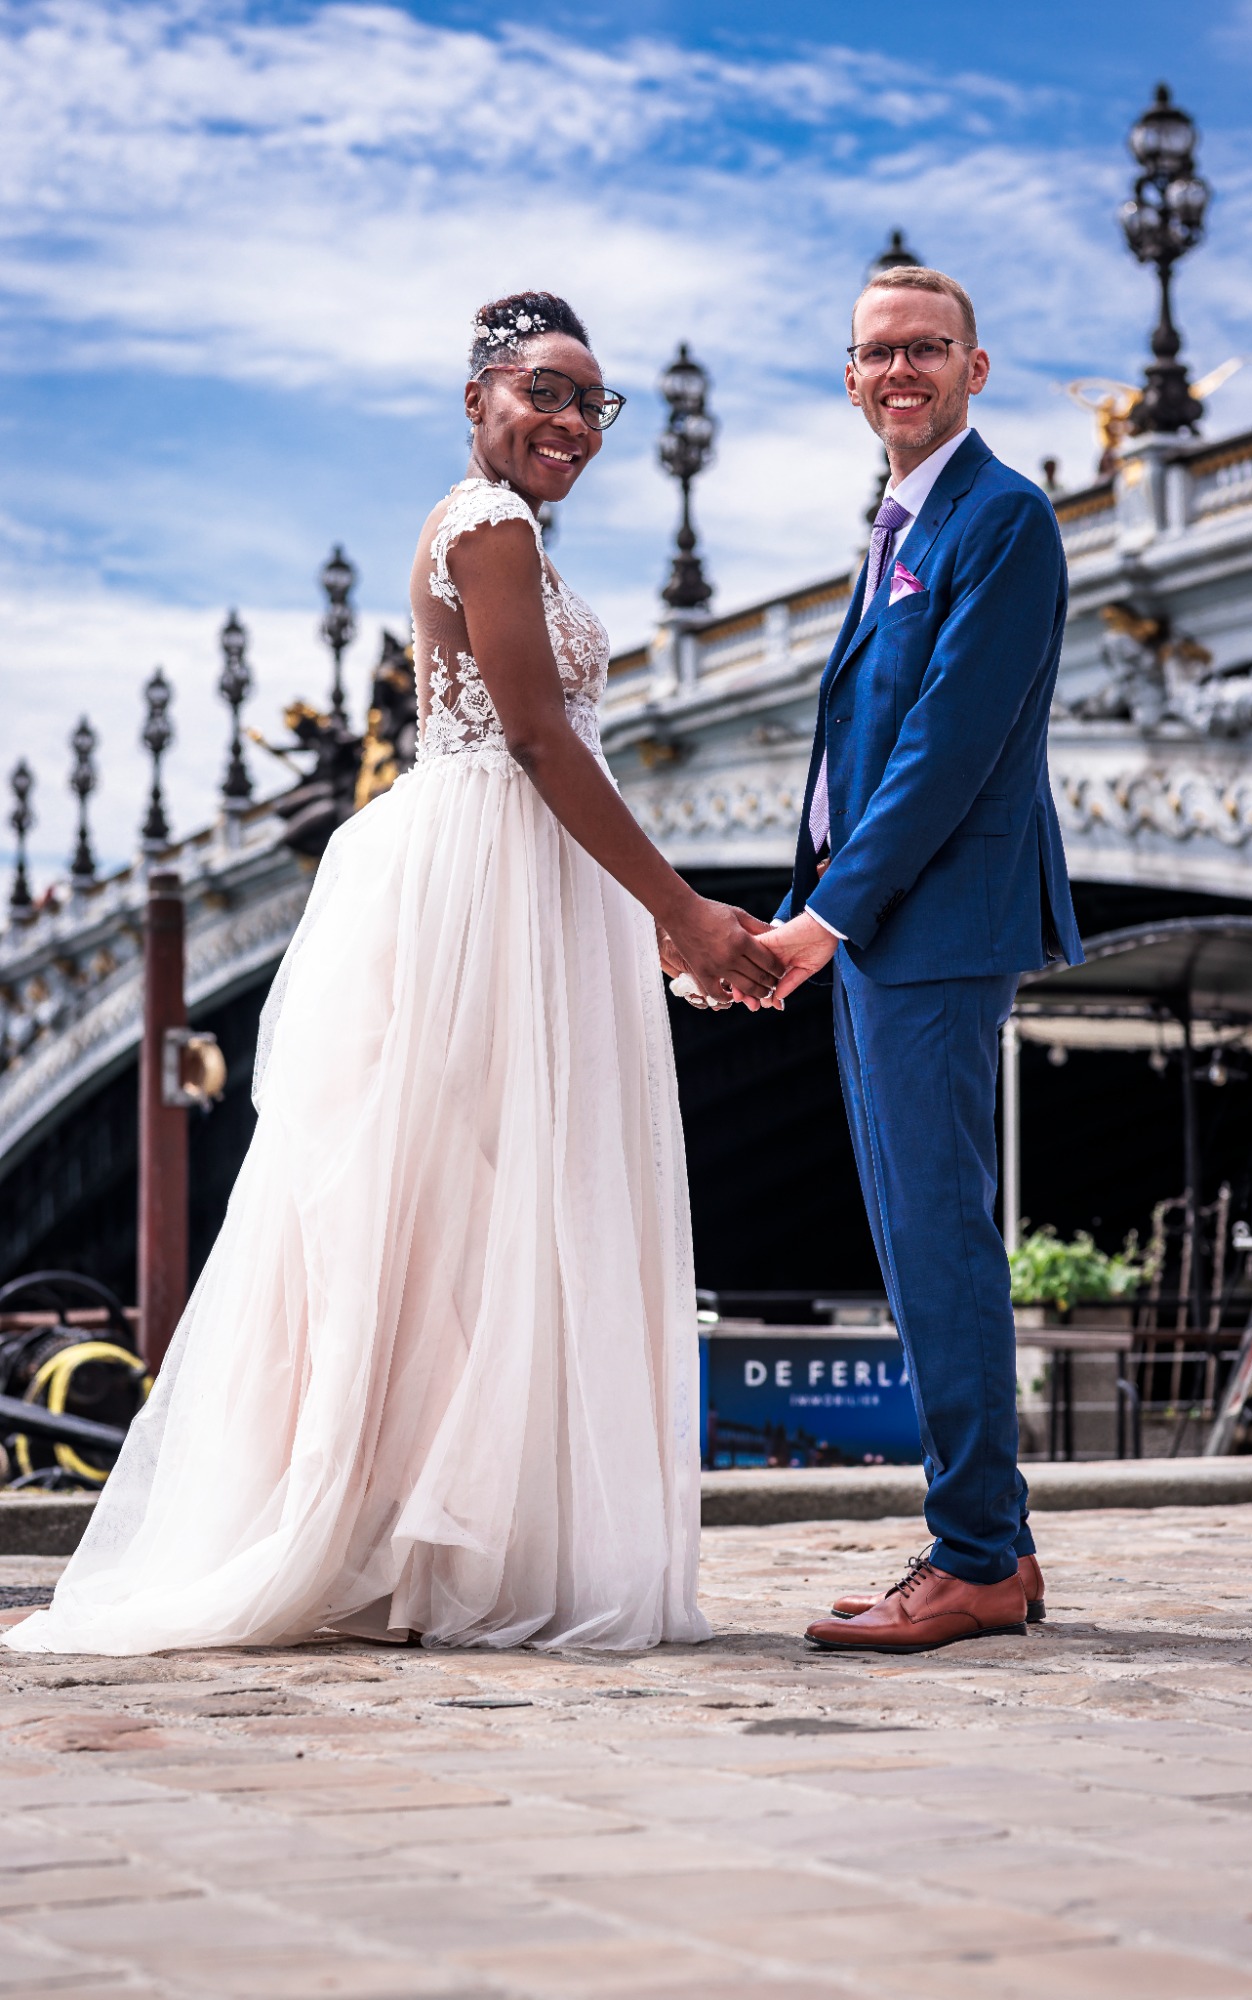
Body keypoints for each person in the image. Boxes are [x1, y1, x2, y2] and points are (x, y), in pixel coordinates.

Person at [6, 291, 781, 1658]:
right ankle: (428, 1541)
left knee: (459, 1206)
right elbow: (537, 741)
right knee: (480, 1200)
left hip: (515, 869)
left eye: (593, 402)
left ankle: (423, 1535)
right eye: (545, 391)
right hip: (495, 872)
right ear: (479, 398)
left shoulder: (495, 528)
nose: (572, 421)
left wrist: (645, 914)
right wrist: (681, 913)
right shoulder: (488, 527)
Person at [758, 265, 1083, 1653]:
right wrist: (811, 906)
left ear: (974, 367)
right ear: (849, 378)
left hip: (931, 930)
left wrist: (822, 922)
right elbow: (857, 741)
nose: (901, 371)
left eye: (926, 348)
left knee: (937, 1236)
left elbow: (946, 748)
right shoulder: (902, 520)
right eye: (877, 353)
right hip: (882, 930)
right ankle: (994, 1544)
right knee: (914, 1232)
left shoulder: (1000, 516)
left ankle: (971, 1560)